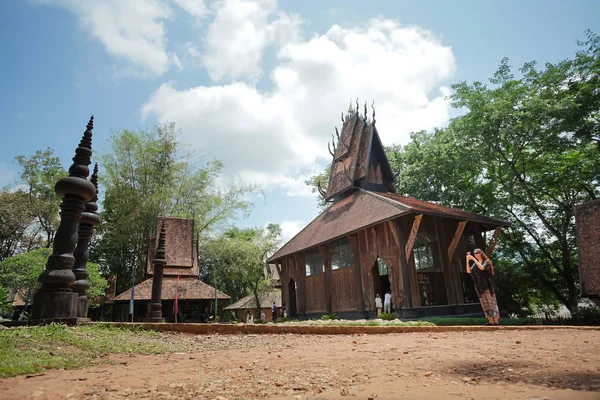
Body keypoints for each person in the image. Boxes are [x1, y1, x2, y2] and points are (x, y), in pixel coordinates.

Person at [466, 248, 500, 326]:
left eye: (477, 253)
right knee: (485, 304)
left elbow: (482, 267)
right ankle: (490, 321)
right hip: (479, 286)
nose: (476, 255)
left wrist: (473, 259)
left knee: (492, 302)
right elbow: (468, 271)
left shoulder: (486, 262)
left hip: (487, 285)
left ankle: (496, 321)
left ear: (481, 253)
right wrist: (467, 261)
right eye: (474, 253)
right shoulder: (475, 264)